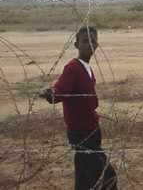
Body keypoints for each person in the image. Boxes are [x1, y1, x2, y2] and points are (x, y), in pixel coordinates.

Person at [40, 26, 117, 190]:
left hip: (91, 129)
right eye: (85, 41)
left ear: (97, 44)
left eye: (93, 41)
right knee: (107, 176)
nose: (90, 44)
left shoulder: (86, 67)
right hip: (81, 132)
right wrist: (50, 93)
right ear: (76, 45)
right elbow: (60, 92)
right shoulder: (73, 68)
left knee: (84, 177)